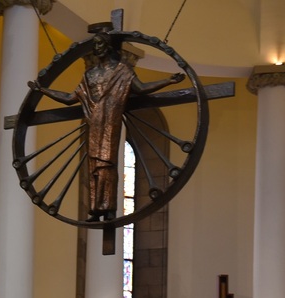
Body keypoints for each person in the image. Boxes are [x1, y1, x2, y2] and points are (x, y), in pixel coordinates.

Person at [31, 28, 184, 221]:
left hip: (110, 123)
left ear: (109, 47)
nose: (98, 48)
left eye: (101, 44)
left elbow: (141, 88)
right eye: (95, 45)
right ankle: (95, 209)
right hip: (94, 124)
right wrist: (43, 90)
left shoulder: (122, 71)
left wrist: (169, 81)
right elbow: (70, 98)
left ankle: (109, 208)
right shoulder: (90, 75)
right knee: (94, 166)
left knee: (106, 164)